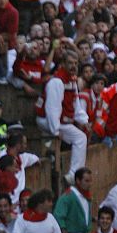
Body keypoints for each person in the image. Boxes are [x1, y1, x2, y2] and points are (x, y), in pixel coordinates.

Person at [34, 50, 88, 185]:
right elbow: (52, 108)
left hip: (61, 120)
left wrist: (85, 121)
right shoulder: (57, 82)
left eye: (75, 63)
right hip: (46, 120)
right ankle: (73, 175)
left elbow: (75, 105)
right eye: (70, 63)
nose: (73, 66)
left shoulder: (72, 81)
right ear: (62, 64)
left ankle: (73, 173)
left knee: (81, 136)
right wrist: (55, 130)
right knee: (80, 138)